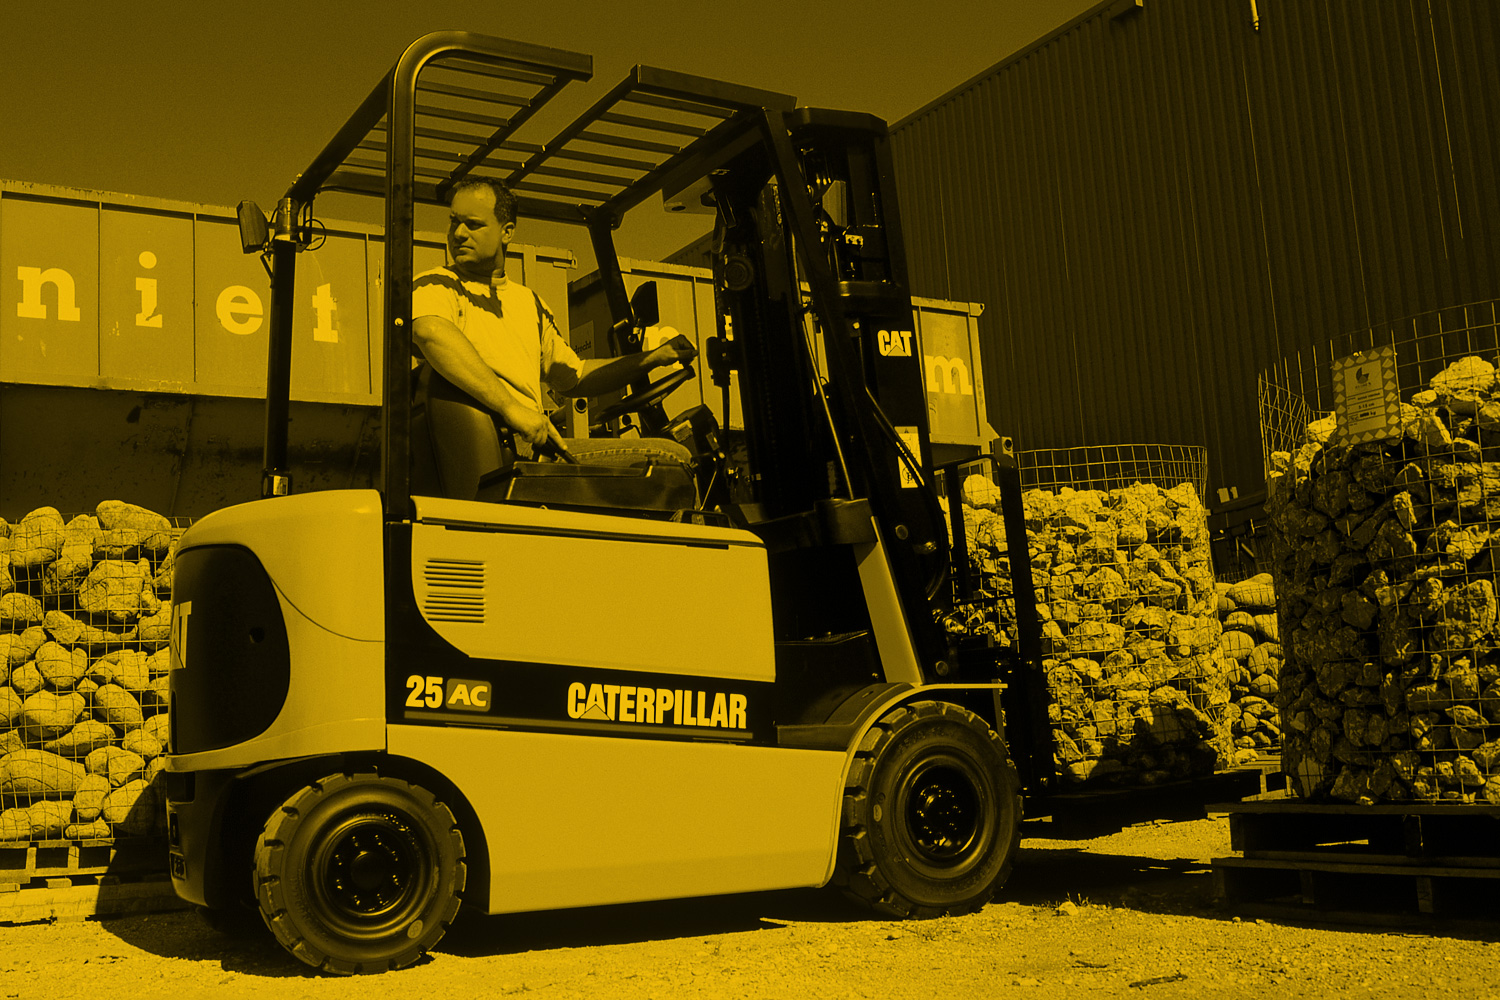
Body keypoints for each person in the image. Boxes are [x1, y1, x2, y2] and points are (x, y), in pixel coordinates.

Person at [411, 178, 697, 498]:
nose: (459, 234)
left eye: (473, 224)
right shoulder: (438, 285)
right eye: (454, 222)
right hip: (508, 449)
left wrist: (655, 357)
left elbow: (574, 377)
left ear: (507, 231)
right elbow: (430, 331)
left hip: (530, 448)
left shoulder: (528, 303)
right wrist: (511, 408)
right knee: (673, 460)